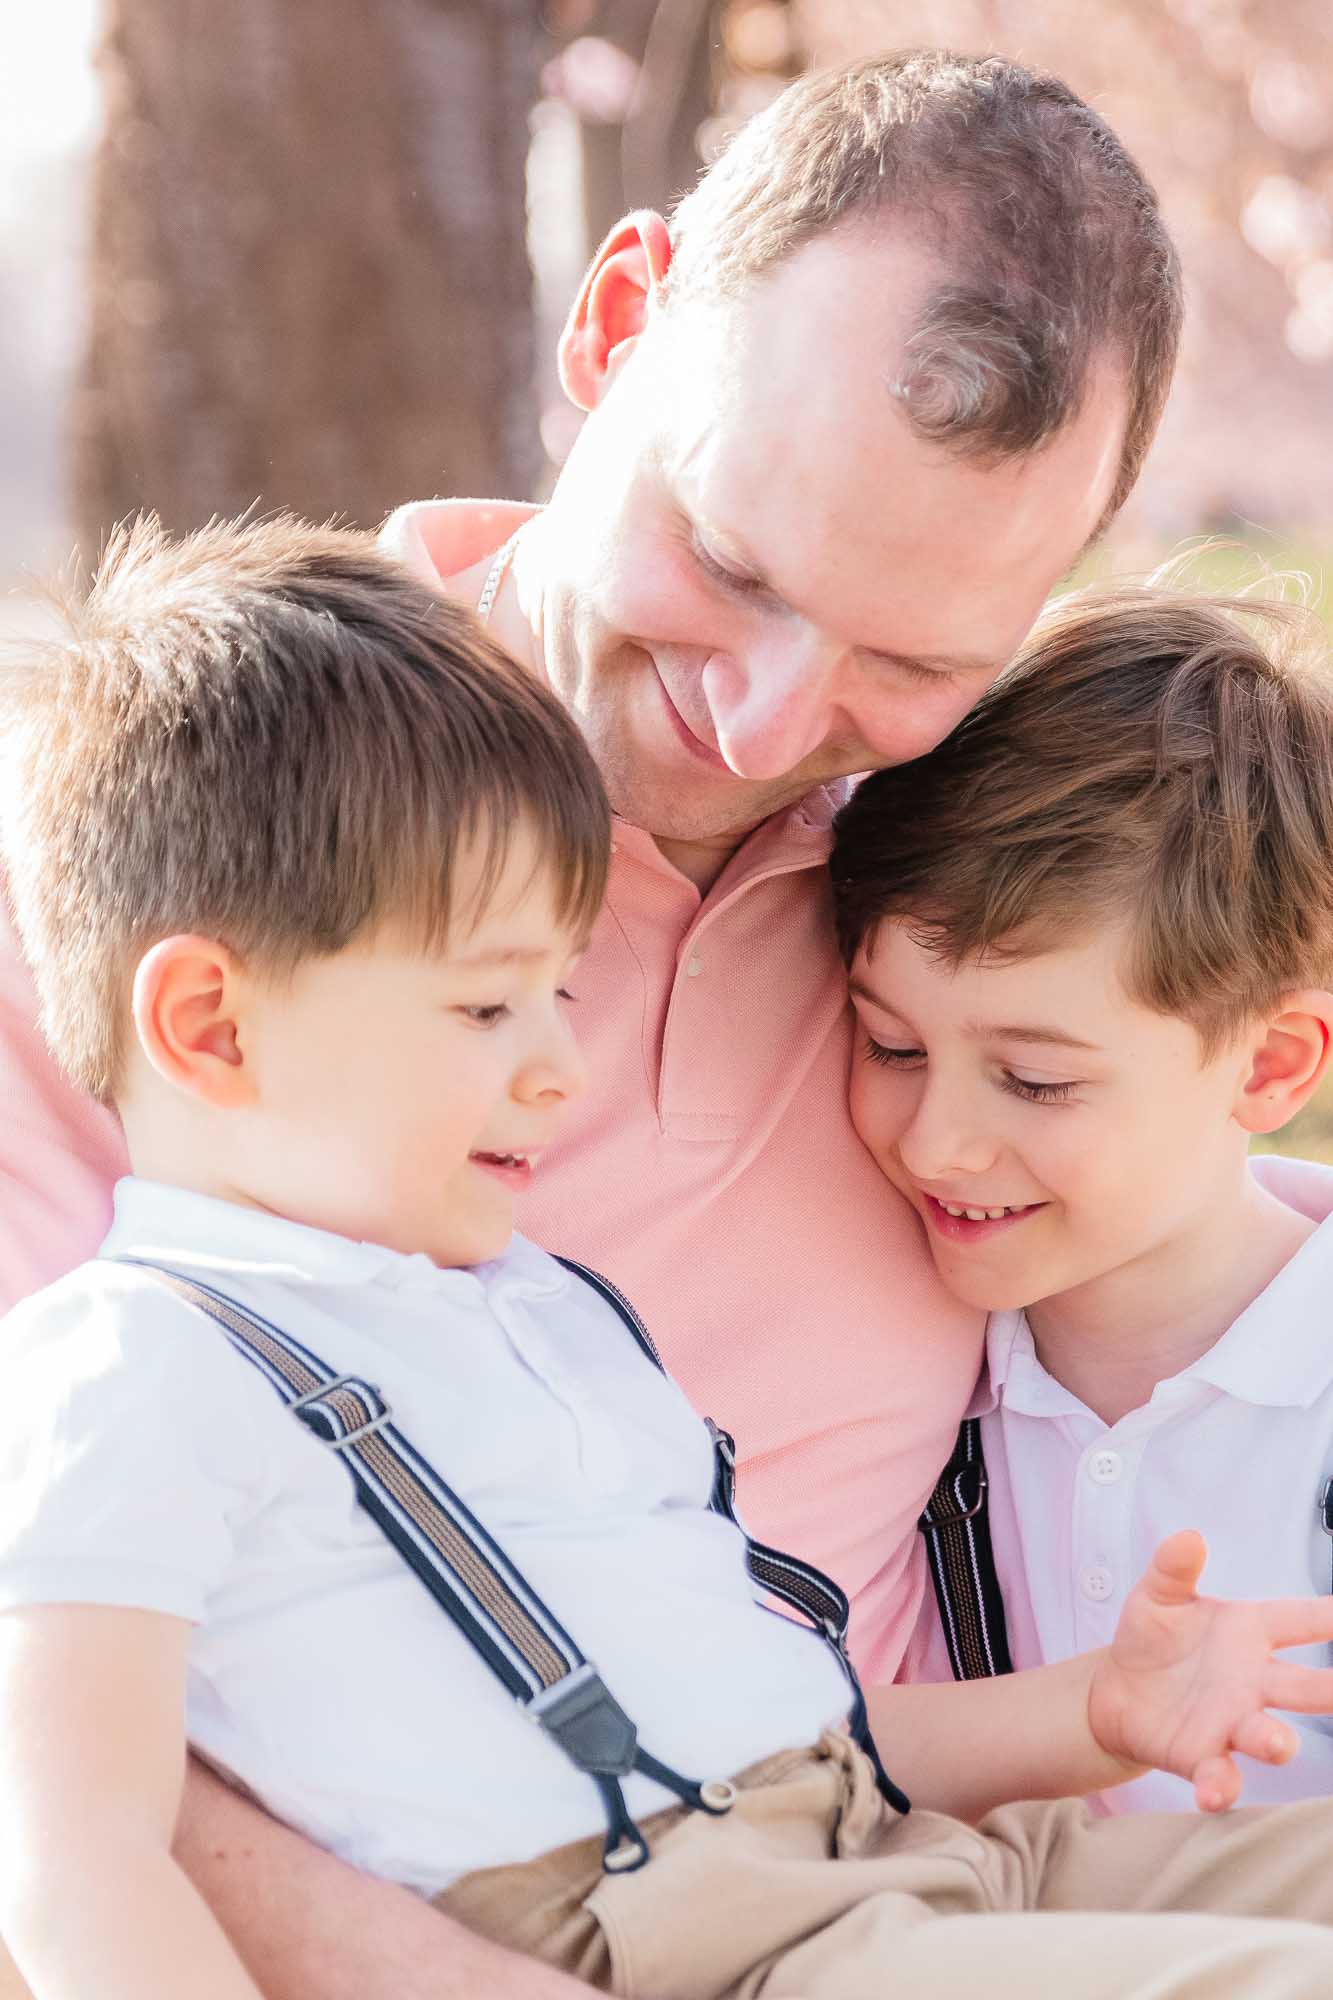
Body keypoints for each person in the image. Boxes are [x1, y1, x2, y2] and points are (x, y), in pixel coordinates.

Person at [0, 51, 1184, 2000]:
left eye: (912, 662)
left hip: (914, 1859)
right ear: (615, 323)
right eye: (725, 566)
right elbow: (52, 1698)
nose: (763, 724)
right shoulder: (196, 849)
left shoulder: (972, 916)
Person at [13, 520, 1333, 2000]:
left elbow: (808, 1725)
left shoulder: (544, 1316)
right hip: (696, 1942)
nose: (560, 1069)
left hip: (896, 1853)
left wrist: (1095, 1708)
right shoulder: (119, 1369)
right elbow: (79, 1860)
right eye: (485, 1010)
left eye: (558, 992)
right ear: (210, 1026)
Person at [832, 584, 1333, 1815]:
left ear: (1268, 1065)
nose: (939, 1144)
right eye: (890, 1044)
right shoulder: (910, 1389)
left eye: (1035, 1079)